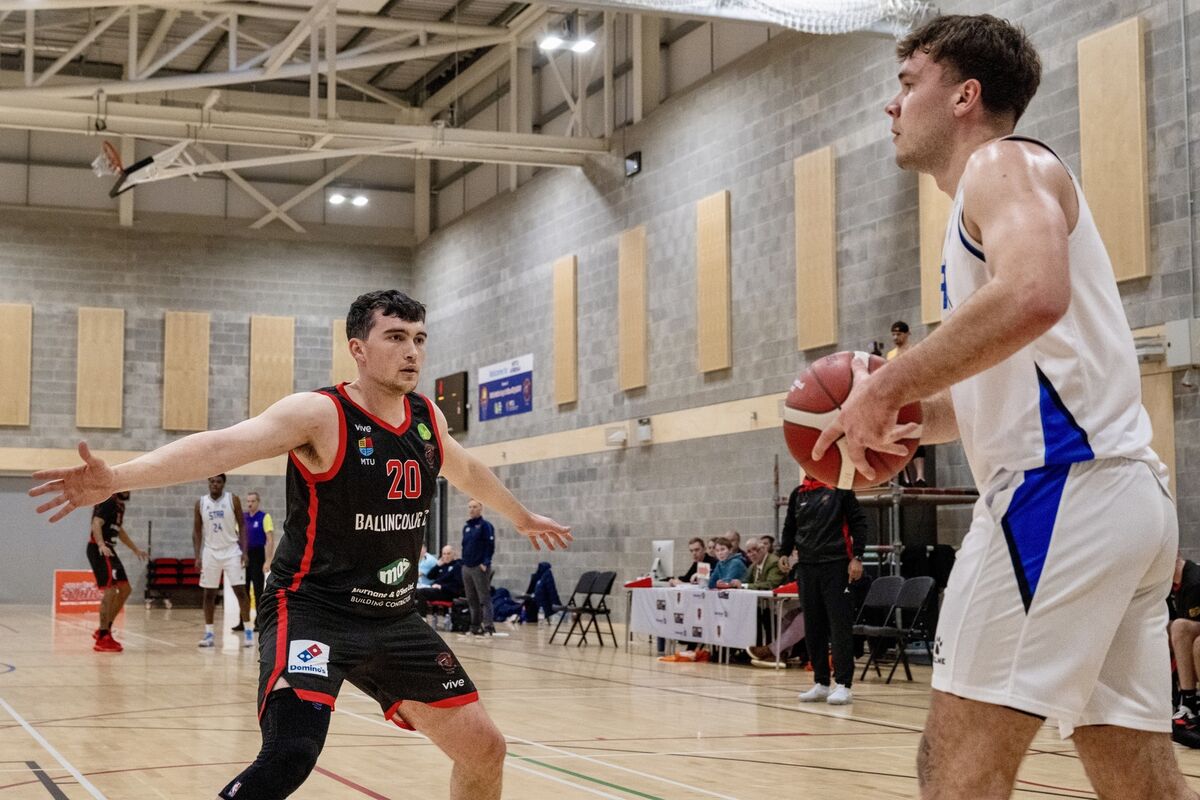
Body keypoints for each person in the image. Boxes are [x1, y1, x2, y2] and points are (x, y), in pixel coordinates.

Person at [813, 14, 1193, 798]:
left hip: (1057, 496)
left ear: (965, 95)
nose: (892, 105)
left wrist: (887, 384)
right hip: (1123, 499)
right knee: (1135, 775)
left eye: (907, 83)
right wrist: (909, 421)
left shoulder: (1000, 165)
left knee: (956, 770)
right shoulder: (991, 196)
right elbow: (1008, 376)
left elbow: (1034, 293)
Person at [30, 289, 571, 800]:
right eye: (396, 337)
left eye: (419, 338)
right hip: (312, 610)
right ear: (358, 349)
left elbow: (467, 467)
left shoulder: (427, 418)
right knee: (291, 752)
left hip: (394, 619)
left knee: (485, 749)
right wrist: (118, 477)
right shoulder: (321, 414)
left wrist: (521, 517)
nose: (412, 351)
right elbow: (219, 447)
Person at [779, 475, 866, 705]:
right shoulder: (799, 494)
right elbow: (790, 527)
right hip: (807, 568)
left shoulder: (842, 490)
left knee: (839, 625)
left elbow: (858, 523)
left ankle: (844, 684)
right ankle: (821, 682)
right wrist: (784, 552)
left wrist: (857, 557)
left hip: (838, 565)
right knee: (813, 625)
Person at [194, 474, 252, 648]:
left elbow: (242, 526)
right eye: (212, 481)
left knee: (240, 591)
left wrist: (244, 551)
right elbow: (197, 531)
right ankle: (209, 633)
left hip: (231, 550)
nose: (215, 484)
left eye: (218, 481)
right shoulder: (201, 503)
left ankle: (248, 631)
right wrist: (197, 555)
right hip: (210, 552)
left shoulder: (232, 499)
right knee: (209, 594)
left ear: (223, 484)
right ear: (208, 483)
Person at [87, 491, 147, 652]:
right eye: (126, 486)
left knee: (126, 589)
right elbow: (96, 523)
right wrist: (100, 544)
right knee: (111, 590)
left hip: (109, 549)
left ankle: (104, 629)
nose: (129, 490)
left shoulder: (119, 505)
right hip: (99, 548)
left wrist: (135, 549)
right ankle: (102, 637)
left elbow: (119, 531)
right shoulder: (109, 501)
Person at [1170, 556, 1200, 748]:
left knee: (1185, 632)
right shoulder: (1167, 586)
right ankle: (1187, 704)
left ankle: (1189, 701)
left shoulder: (1194, 581)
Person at [235, 490, 274, 632]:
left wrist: (268, 560)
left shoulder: (264, 517)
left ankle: (259, 622)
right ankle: (242, 621)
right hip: (244, 556)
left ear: (258, 502)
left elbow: (270, 540)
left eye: (253, 501)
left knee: (258, 591)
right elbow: (236, 537)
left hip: (258, 556)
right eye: (248, 501)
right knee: (242, 590)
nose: (250, 504)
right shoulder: (242, 518)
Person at [461, 498, 496, 636]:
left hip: (479, 567)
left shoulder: (486, 526)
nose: (472, 509)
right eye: (470, 507)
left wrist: (485, 563)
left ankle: (489, 627)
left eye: (475, 506)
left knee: (484, 598)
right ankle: (475, 627)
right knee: (471, 599)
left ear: (481, 508)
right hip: (467, 567)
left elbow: (490, 546)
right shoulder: (466, 527)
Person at [418, 544, 465, 615]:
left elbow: (457, 584)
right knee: (414, 592)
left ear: (453, 554)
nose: (446, 556)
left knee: (422, 592)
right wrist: (437, 566)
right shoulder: (442, 565)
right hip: (436, 590)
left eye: (448, 554)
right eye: (444, 554)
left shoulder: (457, 566)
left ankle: (422, 617)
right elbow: (430, 576)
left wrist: (441, 587)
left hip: (447, 592)